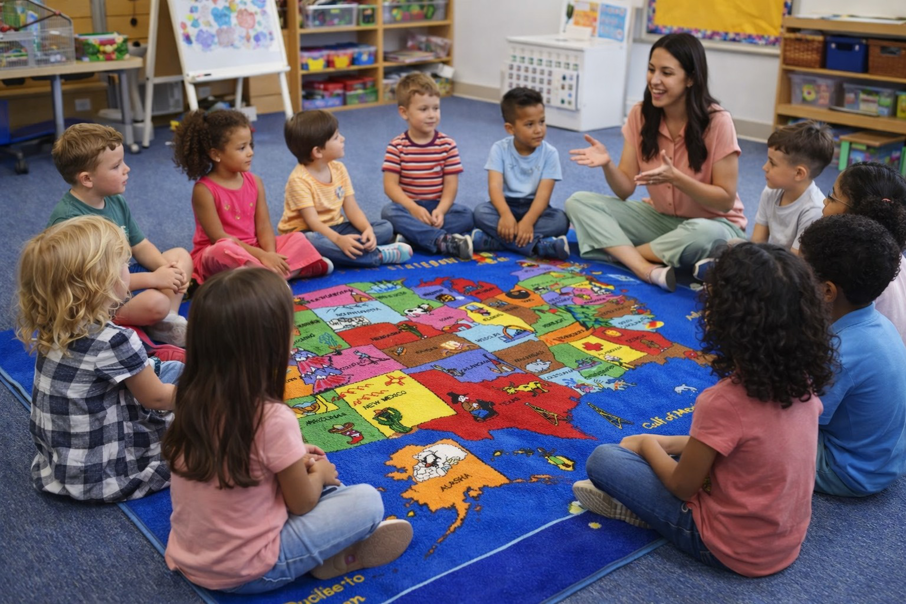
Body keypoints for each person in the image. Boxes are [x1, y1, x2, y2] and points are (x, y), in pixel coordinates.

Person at [573, 242, 835, 576]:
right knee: (672, 448)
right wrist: (669, 443)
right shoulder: (801, 381)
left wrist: (647, 444)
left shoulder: (723, 401)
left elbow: (683, 487)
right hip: (784, 542)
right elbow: (752, 444)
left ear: (724, 319)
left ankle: (645, 515)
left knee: (606, 459)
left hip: (725, 547)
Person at [162, 268, 413, 594]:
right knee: (366, 502)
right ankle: (333, 558)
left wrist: (292, 460)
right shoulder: (271, 417)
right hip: (247, 572)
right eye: (288, 329)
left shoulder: (188, 394)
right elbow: (302, 504)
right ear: (271, 346)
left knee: (308, 477)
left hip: (189, 553)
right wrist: (320, 473)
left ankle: (323, 551)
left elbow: (239, 457)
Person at [15, 216, 182, 502]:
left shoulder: (55, 323)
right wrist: (209, 395)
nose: (129, 271)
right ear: (101, 282)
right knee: (192, 404)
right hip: (103, 474)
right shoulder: (116, 339)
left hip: (61, 466)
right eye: (125, 266)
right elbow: (157, 400)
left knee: (172, 369)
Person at [565, 33, 747, 292]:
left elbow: (725, 200)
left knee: (706, 236)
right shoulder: (640, 114)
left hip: (715, 224)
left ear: (691, 78)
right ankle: (643, 265)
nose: (655, 80)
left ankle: (620, 253)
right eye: (651, 70)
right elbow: (625, 188)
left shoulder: (718, 121)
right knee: (578, 202)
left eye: (667, 73)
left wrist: (677, 179)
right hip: (662, 220)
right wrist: (607, 165)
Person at [49, 123, 192, 346]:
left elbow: (140, 245)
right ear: (87, 179)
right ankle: (149, 319)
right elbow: (95, 284)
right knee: (155, 303)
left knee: (180, 257)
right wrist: (154, 278)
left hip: (123, 280)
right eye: (116, 166)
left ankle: (168, 321)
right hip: (94, 300)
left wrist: (166, 269)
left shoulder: (114, 199)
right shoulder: (70, 221)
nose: (127, 169)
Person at [799, 214, 906, 497]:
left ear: (827, 291)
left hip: (848, 470)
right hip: (885, 458)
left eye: (800, 271)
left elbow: (798, 421)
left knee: (756, 431)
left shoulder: (838, 353)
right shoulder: (878, 323)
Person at [171, 109, 330, 285]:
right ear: (216, 154)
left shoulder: (255, 182)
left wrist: (271, 255)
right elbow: (219, 238)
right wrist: (263, 256)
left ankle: (264, 276)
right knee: (224, 249)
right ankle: (279, 274)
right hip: (221, 254)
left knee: (298, 238)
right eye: (242, 148)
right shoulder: (204, 190)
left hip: (255, 251)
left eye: (250, 145)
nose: (250, 152)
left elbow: (263, 226)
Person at [692, 120, 833, 279]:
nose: (764, 167)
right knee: (732, 244)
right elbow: (758, 241)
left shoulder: (813, 210)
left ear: (799, 173)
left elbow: (795, 265)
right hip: (771, 258)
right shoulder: (771, 191)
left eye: (772, 163)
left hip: (790, 271)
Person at [278, 109, 412, 267]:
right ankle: (378, 255)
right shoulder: (299, 180)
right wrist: (339, 240)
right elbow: (313, 223)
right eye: (336, 137)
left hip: (337, 227)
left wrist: (367, 228)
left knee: (385, 228)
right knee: (311, 241)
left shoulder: (339, 169)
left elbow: (352, 209)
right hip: (307, 232)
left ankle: (333, 255)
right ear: (318, 151)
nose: (343, 139)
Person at [381, 72, 474, 259]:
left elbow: (451, 186)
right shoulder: (397, 145)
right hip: (408, 207)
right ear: (404, 112)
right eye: (423, 109)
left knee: (467, 215)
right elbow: (390, 186)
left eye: (436, 108)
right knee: (388, 213)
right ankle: (441, 240)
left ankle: (413, 236)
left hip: (437, 207)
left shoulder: (447, 144)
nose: (432, 115)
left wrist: (441, 210)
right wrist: (413, 209)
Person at [471, 87, 570, 260]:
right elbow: (494, 187)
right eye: (530, 124)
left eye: (542, 121)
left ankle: (495, 242)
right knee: (480, 213)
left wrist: (528, 221)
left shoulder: (550, 153)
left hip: (536, 208)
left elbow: (544, 196)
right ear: (510, 129)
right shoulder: (499, 148)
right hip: (506, 205)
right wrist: (505, 214)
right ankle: (539, 246)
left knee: (561, 220)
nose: (539, 130)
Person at [821, 161, 906, 346]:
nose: (824, 201)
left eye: (832, 197)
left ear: (855, 217)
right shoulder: (894, 256)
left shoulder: (854, 272)